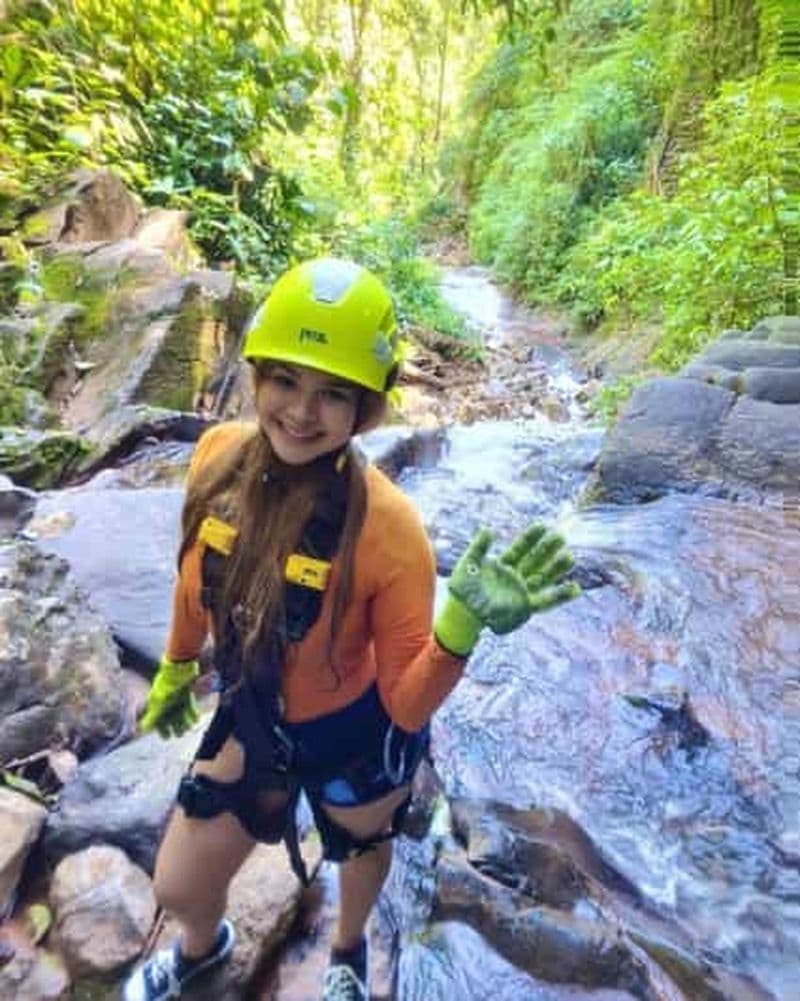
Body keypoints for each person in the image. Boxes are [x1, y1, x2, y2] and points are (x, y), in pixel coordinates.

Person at [122, 257, 580, 1001]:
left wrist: (458, 627)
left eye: (333, 393)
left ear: (366, 408)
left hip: (356, 733)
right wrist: (177, 664)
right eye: (286, 381)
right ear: (258, 375)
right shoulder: (215, 458)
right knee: (177, 881)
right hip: (253, 713)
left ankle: (347, 951)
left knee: (359, 848)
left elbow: (404, 705)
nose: (302, 412)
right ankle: (201, 947)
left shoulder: (391, 527)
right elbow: (194, 576)